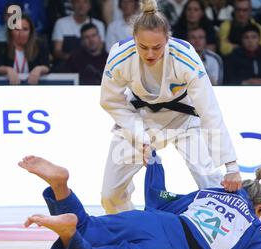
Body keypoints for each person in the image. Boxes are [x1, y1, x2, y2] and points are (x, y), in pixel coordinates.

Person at [19, 151, 261, 249]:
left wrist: (155, 164)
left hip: (157, 222)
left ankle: (61, 188)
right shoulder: (254, 230)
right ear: (259, 208)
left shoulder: (209, 194)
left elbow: (158, 198)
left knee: (91, 227)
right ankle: (68, 233)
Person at [100, 0, 242, 214]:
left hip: (184, 120)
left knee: (210, 182)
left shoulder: (185, 57)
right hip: (139, 120)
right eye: (143, 47)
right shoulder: (120, 55)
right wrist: (141, 137)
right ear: (134, 39)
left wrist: (231, 166)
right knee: (110, 195)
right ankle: (128, 228)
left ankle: (221, 235)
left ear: (167, 39)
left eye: (157, 47)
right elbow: (110, 101)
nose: (149, 53)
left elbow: (209, 111)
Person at [0, 15, 50, 85]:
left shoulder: (40, 46)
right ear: (11, 31)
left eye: (25, 29)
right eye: (17, 29)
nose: (21, 34)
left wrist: (39, 69)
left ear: (30, 32)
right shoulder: (1, 47)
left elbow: (47, 66)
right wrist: (8, 70)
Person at [51, 0, 106, 67]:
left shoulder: (99, 24)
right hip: (68, 65)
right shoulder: (60, 23)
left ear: (90, 6)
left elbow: (100, 48)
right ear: (72, 5)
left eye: (85, 2)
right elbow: (57, 51)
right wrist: (75, 59)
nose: (81, 5)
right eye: (77, 2)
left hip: (94, 65)